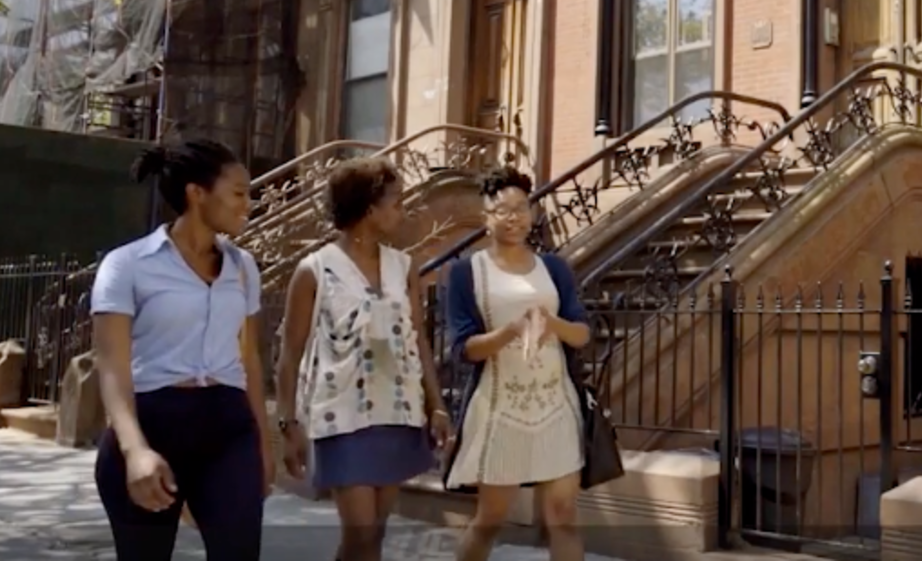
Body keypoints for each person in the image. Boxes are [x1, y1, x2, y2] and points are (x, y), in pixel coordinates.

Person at [90, 139, 272, 561]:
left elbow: (250, 360)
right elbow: (113, 367)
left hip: (228, 429)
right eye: (240, 193)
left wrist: (262, 444)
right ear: (197, 193)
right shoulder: (128, 265)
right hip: (152, 422)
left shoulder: (244, 267)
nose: (250, 203)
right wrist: (134, 451)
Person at [275, 156, 450, 561]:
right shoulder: (314, 270)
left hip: (397, 409)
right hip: (341, 415)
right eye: (396, 202)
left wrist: (436, 404)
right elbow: (290, 352)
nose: (402, 211)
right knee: (360, 535)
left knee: (374, 537)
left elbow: (417, 339)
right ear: (369, 208)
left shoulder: (403, 267)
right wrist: (288, 422)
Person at [442, 166, 591, 561]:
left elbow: (582, 333)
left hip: (555, 404)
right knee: (490, 517)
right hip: (499, 407)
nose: (514, 217)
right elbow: (462, 349)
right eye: (503, 210)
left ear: (533, 212)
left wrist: (551, 323)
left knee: (563, 516)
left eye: (522, 208)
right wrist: (510, 331)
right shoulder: (464, 273)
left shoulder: (554, 268)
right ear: (485, 217)